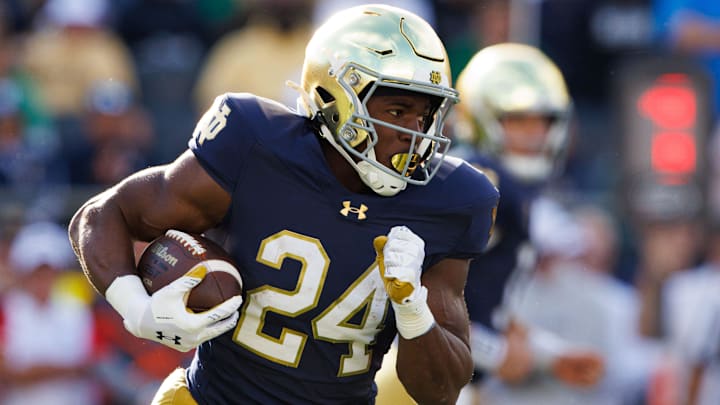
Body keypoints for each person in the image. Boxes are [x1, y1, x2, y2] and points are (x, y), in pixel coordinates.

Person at [67, 4, 499, 404]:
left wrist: (413, 309)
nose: (415, 132)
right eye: (398, 110)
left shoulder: (453, 200)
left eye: (425, 115)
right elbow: (104, 215)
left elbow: (439, 392)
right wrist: (136, 309)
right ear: (336, 97)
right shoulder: (256, 145)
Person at [449, 43, 605, 404]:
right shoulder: (476, 185)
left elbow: (483, 308)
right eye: (517, 120)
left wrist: (548, 355)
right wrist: (497, 354)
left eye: (542, 120)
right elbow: (410, 300)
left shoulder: (510, 191)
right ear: (480, 119)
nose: (534, 134)